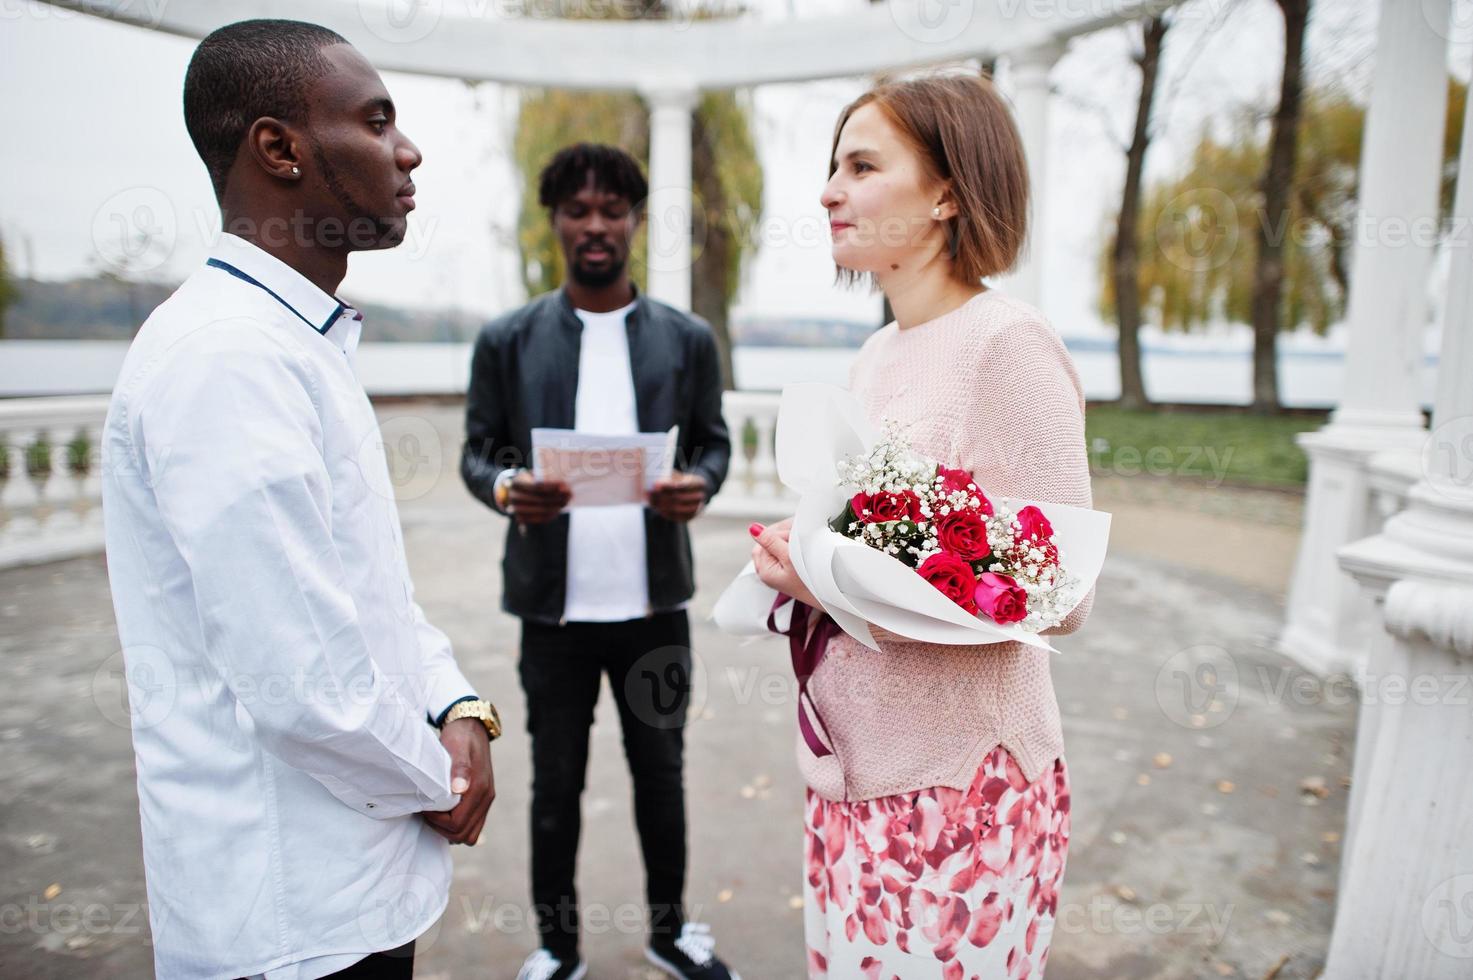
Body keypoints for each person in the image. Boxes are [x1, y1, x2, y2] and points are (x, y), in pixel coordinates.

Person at [99, 20, 498, 980]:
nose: (407, 151)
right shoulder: (227, 357)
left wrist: (457, 701)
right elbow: (300, 683)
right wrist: (436, 771)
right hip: (287, 913)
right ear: (277, 148)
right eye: (375, 121)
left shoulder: (292, 340)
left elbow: (363, 587)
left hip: (347, 887)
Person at [749, 74, 1096, 978]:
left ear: (946, 192)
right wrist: (808, 555)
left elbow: (1062, 592)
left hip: (960, 793)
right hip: (849, 776)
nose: (828, 190)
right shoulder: (877, 351)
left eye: (861, 165)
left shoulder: (1006, 344)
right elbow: (889, 529)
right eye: (833, 165)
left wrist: (831, 571)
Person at [460, 143, 736, 980]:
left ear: (635, 222)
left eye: (611, 211)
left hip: (655, 611)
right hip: (553, 615)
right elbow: (478, 453)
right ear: (555, 222)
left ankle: (667, 933)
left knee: (662, 778)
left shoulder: (687, 341)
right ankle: (557, 947)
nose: (594, 226)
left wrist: (698, 485)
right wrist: (509, 488)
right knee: (554, 788)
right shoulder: (508, 340)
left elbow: (715, 447)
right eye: (577, 210)